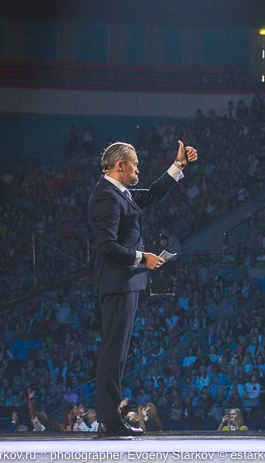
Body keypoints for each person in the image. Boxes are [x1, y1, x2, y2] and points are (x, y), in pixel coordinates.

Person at [89, 139, 198, 437]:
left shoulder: (118, 192)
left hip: (125, 282)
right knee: (113, 352)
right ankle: (109, 421)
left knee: (118, 352)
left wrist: (179, 165)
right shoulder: (107, 197)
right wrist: (142, 257)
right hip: (117, 282)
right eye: (134, 165)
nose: (138, 170)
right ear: (120, 164)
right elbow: (106, 246)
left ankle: (111, 419)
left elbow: (151, 194)